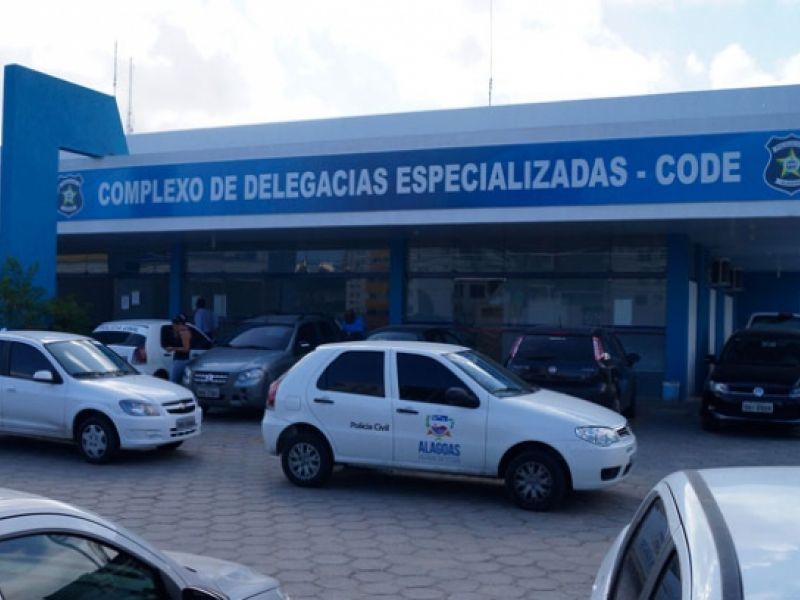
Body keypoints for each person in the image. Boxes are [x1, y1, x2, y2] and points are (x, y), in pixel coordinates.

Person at [166, 314, 192, 382]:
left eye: (175, 324)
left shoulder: (184, 333)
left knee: (173, 381)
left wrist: (173, 349)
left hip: (181, 361)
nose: (174, 326)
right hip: (177, 360)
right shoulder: (178, 332)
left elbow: (186, 349)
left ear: (180, 324)